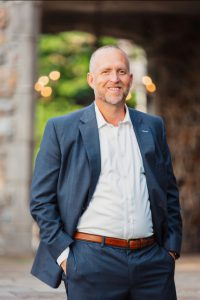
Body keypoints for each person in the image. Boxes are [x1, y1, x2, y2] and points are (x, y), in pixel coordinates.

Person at [30, 45, 182, 300]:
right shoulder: (61, 129)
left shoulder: (152, 127)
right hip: (91, 262)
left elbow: (169, 191)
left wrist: (171, 250)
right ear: (91, 79)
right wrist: (65, 257)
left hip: (152, 264)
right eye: (106, 71)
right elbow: (41, 200)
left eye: (121, 71)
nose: (115, 78)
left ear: (130, 79)